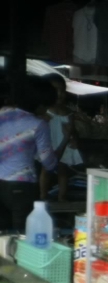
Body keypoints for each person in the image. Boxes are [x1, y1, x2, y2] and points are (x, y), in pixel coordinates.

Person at [0, 76, 59, 231]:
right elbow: (47, 161)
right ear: (40, 105)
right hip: (22, 186)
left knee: (2, 235)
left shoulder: (3, 113)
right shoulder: (39, 124)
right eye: (46, 106)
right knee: (23, 235)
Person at [41, 74, 82, 202]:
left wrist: (73, 139)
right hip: (50, 144)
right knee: (46, 170)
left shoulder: (68, 112)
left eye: (62, 90)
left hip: (64, 146)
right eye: (55, 90)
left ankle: (61, 198)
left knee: (63, 171)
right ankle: (43, 196)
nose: (59, 94)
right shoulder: (45, 110)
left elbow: (72, 130)